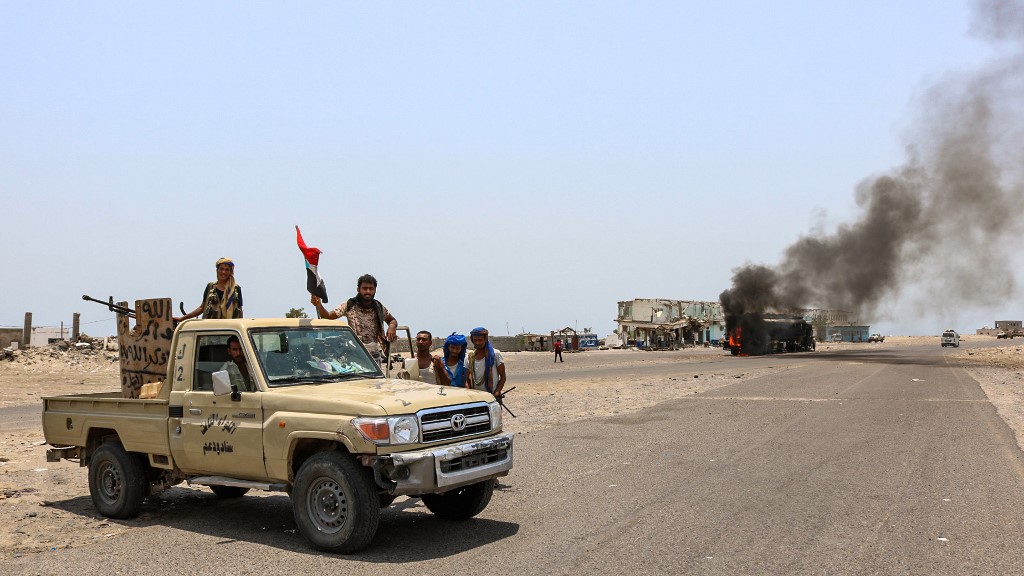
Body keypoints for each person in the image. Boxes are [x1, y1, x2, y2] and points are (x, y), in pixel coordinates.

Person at [310, 273, 397, 359]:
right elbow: (327, 316)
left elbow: (392, 320)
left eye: (371, 289)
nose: (368, 292)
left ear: (375, 290)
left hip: (374, 357)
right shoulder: (349, 305)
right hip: (355, 354)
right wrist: (319, 305)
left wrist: (392, 327)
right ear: (358, 289)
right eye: (365, 288)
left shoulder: (379, 307)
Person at [175, 258, 244, 322]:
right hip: (210, 328)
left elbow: (240, 311)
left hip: (229, 329)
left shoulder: (235, 289)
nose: (223, 272)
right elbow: (202, 308)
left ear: (230, 272)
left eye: (227, 269)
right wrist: (182, 318)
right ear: (217, 270)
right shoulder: (210, 287)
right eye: (221, 269)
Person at [467, 327, 506, 395]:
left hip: (492, 396)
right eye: (475, 340)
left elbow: (503, 376)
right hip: (476, 397)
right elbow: (467, 378)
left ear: (485, 339)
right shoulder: (470, 357)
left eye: (480, 340)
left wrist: (497, 391)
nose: (477, 343)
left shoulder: (495, 354)